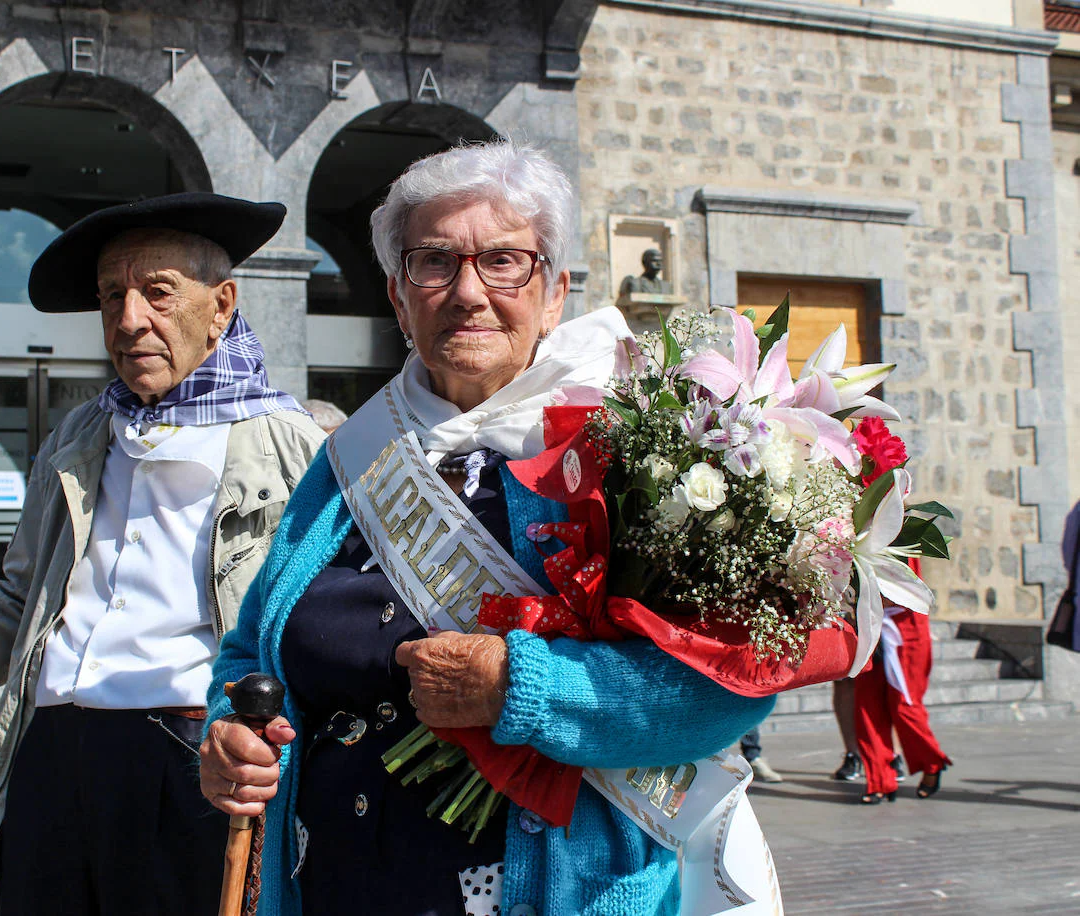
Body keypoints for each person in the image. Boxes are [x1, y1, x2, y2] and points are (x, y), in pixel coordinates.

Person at [199, 141, 776, 916]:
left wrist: (523, 687)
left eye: (504, 261)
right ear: (400, 300)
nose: (467, 292)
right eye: (433, 263)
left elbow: (730, 691)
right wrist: (228, 733)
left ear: (555, 294)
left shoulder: (634, 459)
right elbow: (250, 650)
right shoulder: (345, 465)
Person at [0, 192, 326, 912]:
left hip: (191, 759)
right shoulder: (81, 438)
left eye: (158, 293)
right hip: (53, 755)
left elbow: (318, 623)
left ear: (222, 306)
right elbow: (17, 605)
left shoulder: (294, 446)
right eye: (113, 296)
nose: (130, 319)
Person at [854, 561, 952, 805]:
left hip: (905, 627)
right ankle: (879, 780)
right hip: (869, 622)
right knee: (867, 704)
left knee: (904, 706)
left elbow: (907, 586)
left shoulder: (904, 532)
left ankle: (932, 762)